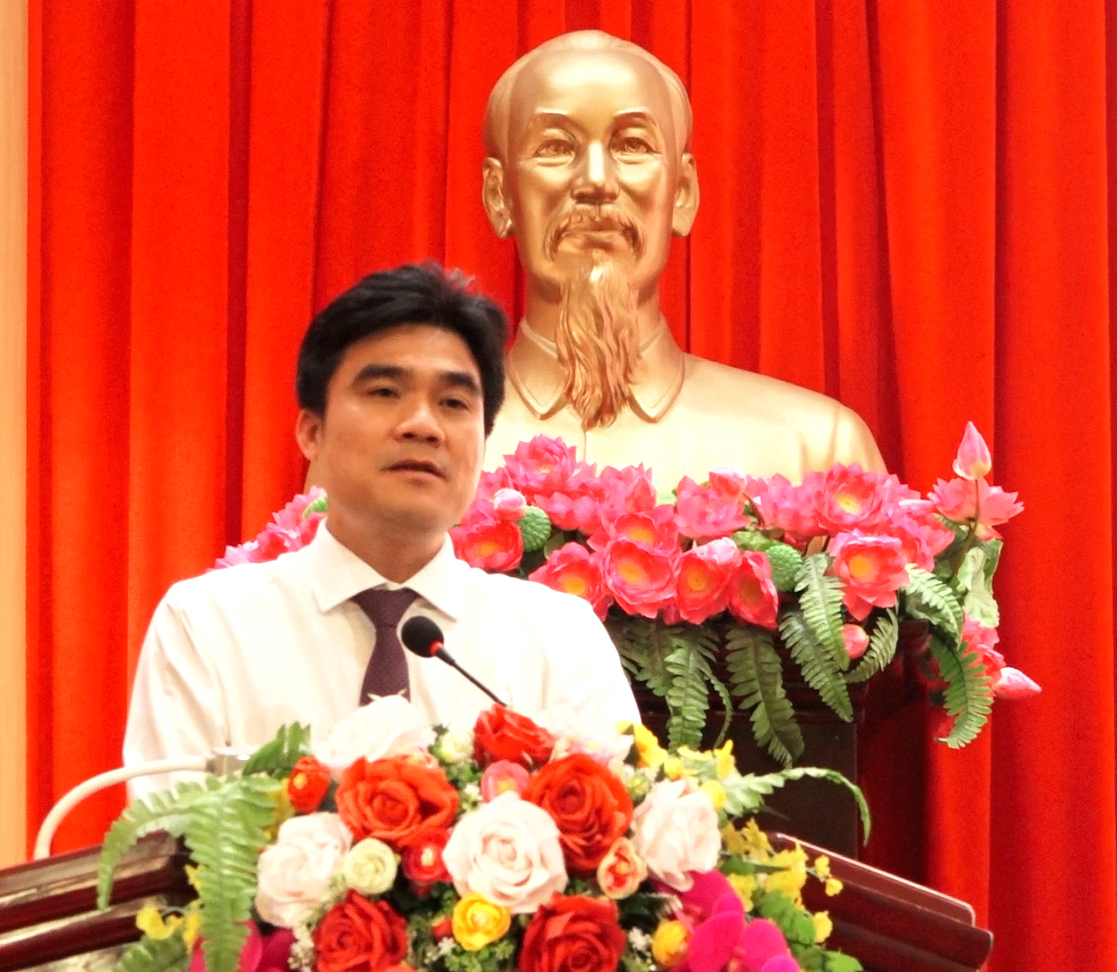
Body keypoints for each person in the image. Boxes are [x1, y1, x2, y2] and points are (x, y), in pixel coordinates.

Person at [123, 263, 637, 794]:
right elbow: (170, 831)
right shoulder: (209, 627)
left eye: (454, 403)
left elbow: (618, 820)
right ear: (312, 431)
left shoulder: (559, 638)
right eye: (385, 392)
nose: (423, 425)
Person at [478, 30, 885, 489]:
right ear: (499, 197)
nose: (596, 181)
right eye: (556, 148)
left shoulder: (815, 453)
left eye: (632, 145)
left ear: (683, 194)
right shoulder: (429, 453)